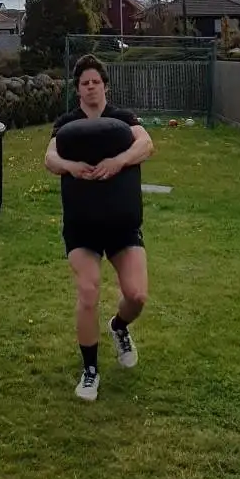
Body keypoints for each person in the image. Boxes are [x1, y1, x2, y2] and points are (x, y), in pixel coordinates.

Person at [45, 54, 154, 401]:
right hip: (83, 225)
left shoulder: (123, 119)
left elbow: (146, 144)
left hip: (122, 223)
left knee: (137, 296)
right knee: (88, 291)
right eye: (84, 83)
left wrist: (118, 161)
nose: (90, 87)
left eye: (95, 82)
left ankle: (118, 327)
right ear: (77, 89)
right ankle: (90, 371)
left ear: (105, 86)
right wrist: (70, 166)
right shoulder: (67, 124)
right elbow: (50, 158)